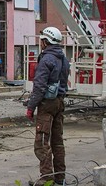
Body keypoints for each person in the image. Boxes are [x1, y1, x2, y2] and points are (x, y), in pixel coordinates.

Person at [26, 27, 70, 186]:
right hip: (59, 102)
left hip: (47, 104)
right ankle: (60, 177)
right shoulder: (63, 59)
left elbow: (39, 86)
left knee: (42, 142)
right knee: (57, 141)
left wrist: (31, 107)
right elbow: (64, 83)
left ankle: (46, 178)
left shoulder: (46, 59)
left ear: (46, 41)